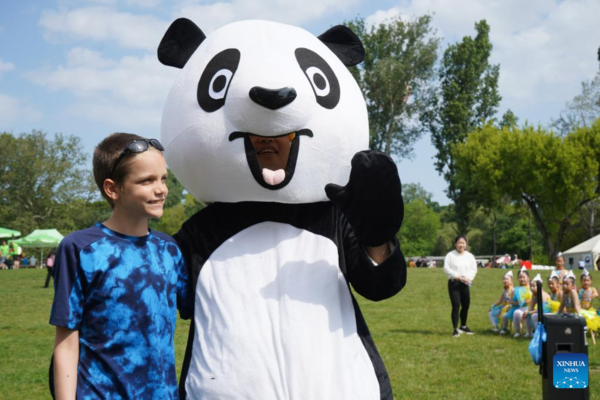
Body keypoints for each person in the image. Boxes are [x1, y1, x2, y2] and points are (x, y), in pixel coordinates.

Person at [49, 133, 190, 399]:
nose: (161, 189)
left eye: (163, 178)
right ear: (113, 189)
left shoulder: (170, 249)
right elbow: (66, 343)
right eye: (146, 181)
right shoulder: (80, 248)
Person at [444, 235, 477, 337]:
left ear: (466, 244)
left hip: (465, 283)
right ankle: (455, 329)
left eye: (463, 243)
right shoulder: (450, 255)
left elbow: (474, 269)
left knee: (466, 305)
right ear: (455, 244)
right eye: (459, 243)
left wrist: (468, 278)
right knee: (456, 305)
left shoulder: (470, 256)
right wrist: (457, 276)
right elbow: (446, 268)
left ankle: (463, 326)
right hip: (454, 283)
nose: (461, 245)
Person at [500, 267, 532, 337]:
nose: (522, 279)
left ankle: (528, 332)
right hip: (520, 308)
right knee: (516, 312)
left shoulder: (531, 288)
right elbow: (512, 301)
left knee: (520, 312)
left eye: (524, 277)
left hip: (529, 309)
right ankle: (517, 331)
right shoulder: (516, 289)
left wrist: (529, 301)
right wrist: (514, 303)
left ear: (528, 278)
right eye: (520, 277)